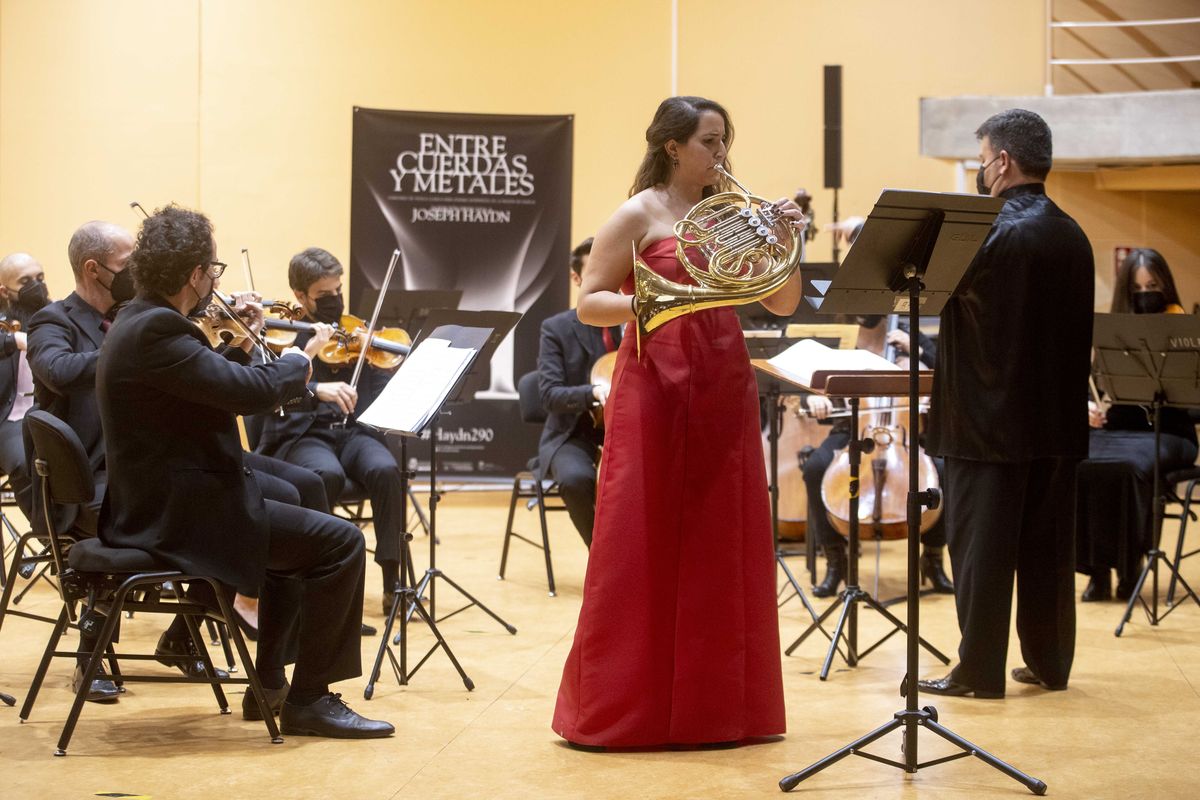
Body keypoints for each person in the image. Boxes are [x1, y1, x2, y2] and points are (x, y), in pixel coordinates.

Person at [553, 96, 804, 747]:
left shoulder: (737, 216)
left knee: (722, 538)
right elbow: (589, 304)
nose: (722, 154)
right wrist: (653, 300)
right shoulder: (641, 212)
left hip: (721, 376)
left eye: (725, 141)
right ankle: (625, 707)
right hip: (655, 381)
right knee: (644, 533)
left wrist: (783, 241)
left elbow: (780, 299)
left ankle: (722, 711)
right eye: (710, 141)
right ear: (673, 147)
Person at [97, 205, 391, 737]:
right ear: (195, 275)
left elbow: (209, 383)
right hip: (178, 512)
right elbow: (248, 394)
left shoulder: (143, 322)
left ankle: (271, 682)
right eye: (213, 268)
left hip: (170, 494)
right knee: (342, 543)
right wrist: (302, 358)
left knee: (300, 503)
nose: (216, 278)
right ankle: (311, 698)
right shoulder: (158, 330)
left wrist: (240, 341)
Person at [919, 109, 1094, 698]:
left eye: (981, 158)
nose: (978, 168)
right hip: (1057, 424)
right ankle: (1050, 663)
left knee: (981, 553)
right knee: (1048, 550)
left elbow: (926, 294)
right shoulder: (1074, 233)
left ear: (1002, 163)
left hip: (986, 423)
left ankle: (978, 671)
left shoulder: (988, 232)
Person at [257, 247, 407, 614]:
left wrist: (383, 369)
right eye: (324, 296)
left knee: (386, 470)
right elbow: (273, 398)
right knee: (326, 475)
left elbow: (372, 397)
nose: (335, 300)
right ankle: (327, 591)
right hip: (304, 434)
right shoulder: (282, 337)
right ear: (300, 296)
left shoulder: (354, 334)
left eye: (338, 290)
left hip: (352, 433)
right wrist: (312, 382)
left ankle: (393, 584)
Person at [802, 315, 953, 597]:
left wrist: (918, 350)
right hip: (853, 430)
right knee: (815, 467)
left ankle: (933, 559)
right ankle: (836, 562)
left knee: (943, 472)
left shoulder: (908, 331)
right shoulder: (839, 339)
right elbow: (806, 380)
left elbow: (947, 369)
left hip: (905, 432)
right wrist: (811, 397)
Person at [1076, 248, 1195, 601]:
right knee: (1081, 461)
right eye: (1138, 289)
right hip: (1118, 431)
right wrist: (1089, 408)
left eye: (1153, 285)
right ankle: (1097, 571)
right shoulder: (1114, 333)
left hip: (1171, 433)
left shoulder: (1184, 330)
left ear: (1166, 286)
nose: (1146, 295)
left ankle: (1131, 569)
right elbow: (1096, 386)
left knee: (1131, 467)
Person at [536, 238, 622, 548]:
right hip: (574, 433)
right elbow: (549, 394)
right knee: (575, 480)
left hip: (627, 431)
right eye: (595, 271)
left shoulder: (634, 322)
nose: (607, 279)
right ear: (576, 279)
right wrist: (593, 392)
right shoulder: (556, 329)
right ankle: (602, 556)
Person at [0, 252, 50, 517]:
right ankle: (46, 534)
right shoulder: (3, 322)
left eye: (40, 278)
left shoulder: (55, 314)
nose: (36, 286)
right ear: (4, 290)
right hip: (10, 418)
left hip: (47, 412)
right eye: (26, 281)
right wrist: (14, 340)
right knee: (23, 460)